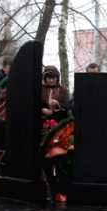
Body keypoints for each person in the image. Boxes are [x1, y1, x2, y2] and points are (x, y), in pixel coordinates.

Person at [40, 65, 72, 202]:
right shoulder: (39, 90)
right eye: (48, 77)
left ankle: (61, 189)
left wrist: (57, 106)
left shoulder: (63, 91)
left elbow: (68, 107)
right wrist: (43, 110)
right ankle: (50, 188)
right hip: (43, 129)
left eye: (53, 77)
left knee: (60, 160)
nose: (51, 80)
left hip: (59, 129)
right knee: (45, 161)